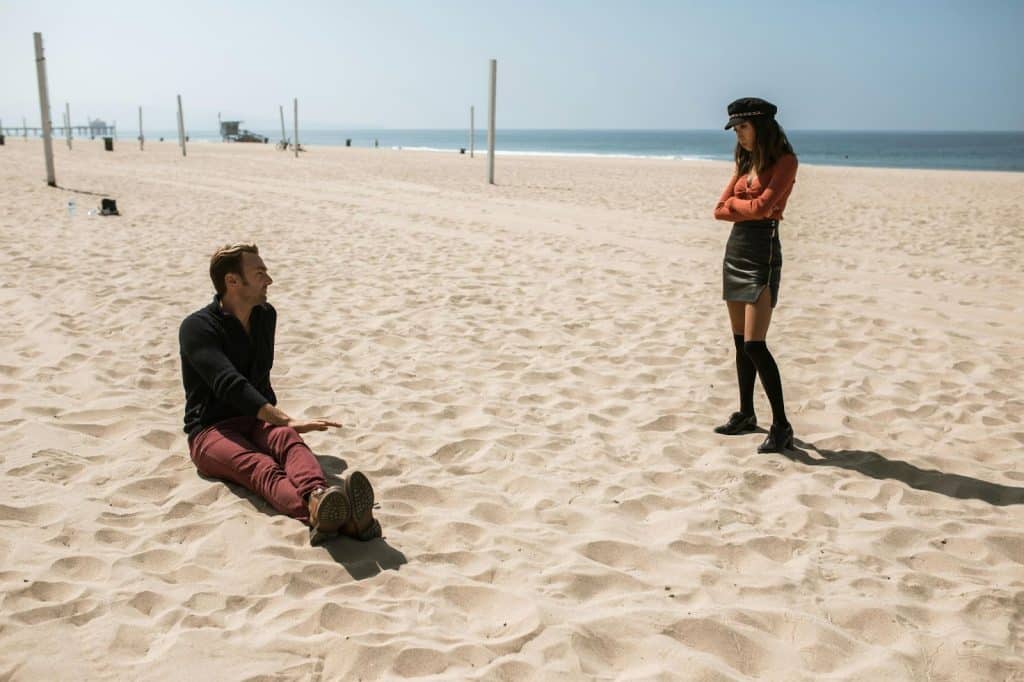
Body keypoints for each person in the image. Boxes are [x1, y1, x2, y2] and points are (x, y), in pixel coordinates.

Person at [178, 243, 381, 545]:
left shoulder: (264, 316)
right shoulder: (197, 327)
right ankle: (324, 515)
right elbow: (228, 383)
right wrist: (284, 418)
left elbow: (259, 378)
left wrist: (282, 426)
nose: (269, 280)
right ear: (232, 282)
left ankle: (319, 496)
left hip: (255, 419)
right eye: (260, 273)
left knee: (288, 441)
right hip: (211, 430)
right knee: (263, 467)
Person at [712, 97, 798, 453]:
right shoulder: (744, 161)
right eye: (735, 129)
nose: (739, 135)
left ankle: (782, 425)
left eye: (743, 127)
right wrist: (748, 207)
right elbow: (719, 209)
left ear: (760, 127)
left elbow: (765, 207)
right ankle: (747, 413)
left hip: (763, 253)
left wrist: (741, 206)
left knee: (754, 344)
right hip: (736, 251)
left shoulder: (786, 162)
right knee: (738, 342)